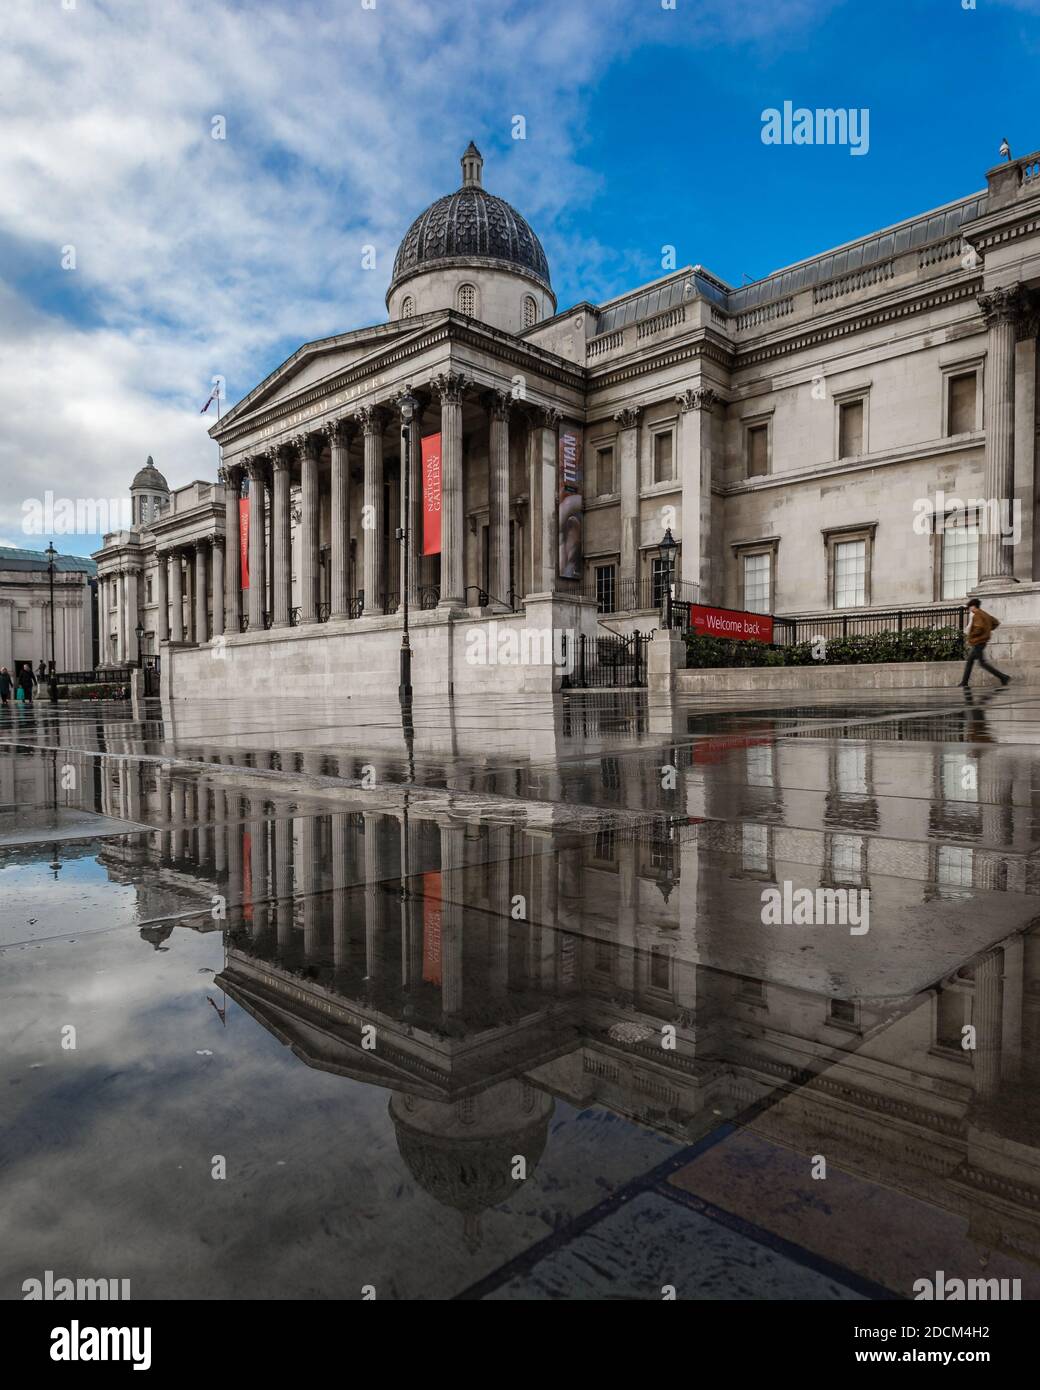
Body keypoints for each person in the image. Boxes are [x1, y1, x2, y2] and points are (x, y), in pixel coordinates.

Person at [960, 598, 1010, 688]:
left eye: (969, 607)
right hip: (982, 641)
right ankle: (964, 682)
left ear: (973, 606)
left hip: (978, 641)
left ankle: (1003, 677)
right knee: (970, 661)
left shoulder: (977, 615)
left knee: (982, 663)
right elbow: (995, 622)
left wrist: (970, 635)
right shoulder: (984, 614)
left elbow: (979, 628)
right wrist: (987, 631)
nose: (969, 609)